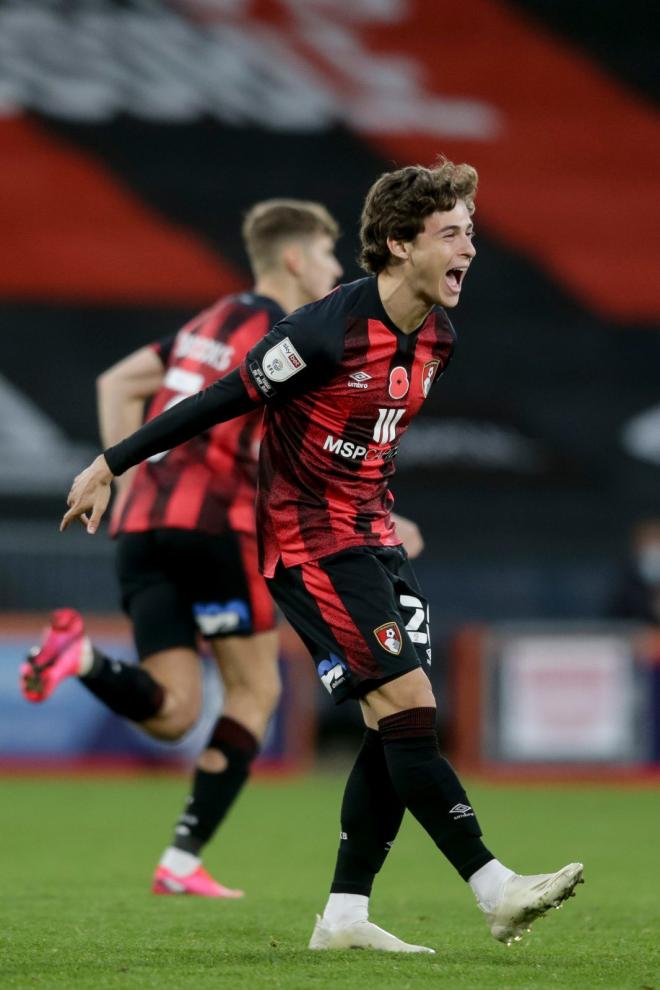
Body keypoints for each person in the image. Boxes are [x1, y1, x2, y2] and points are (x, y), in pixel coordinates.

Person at [56, 159, 583, 951]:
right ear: (401, 244)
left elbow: (369, 442)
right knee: (406, 707)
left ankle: (343, 916)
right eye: (451, 234)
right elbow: (215, 398)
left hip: (372, 536)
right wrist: (110, 463)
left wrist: (387, 512)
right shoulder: (320, 330)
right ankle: (494, 886)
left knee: (396, 722)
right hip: (310, 545)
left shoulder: (439, 337)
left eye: (470, 232)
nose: (469, 248)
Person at [20, 199, 344, 897]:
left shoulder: (210, 320)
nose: (336, 268)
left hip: (142, 529)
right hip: (216, 530)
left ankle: (79, 657)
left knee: (173, 713)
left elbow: (120, 382)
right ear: (294, 260)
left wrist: (122, 475)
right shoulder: (290, 336)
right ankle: (183, 860)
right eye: (326, 253)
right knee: (258, 689)